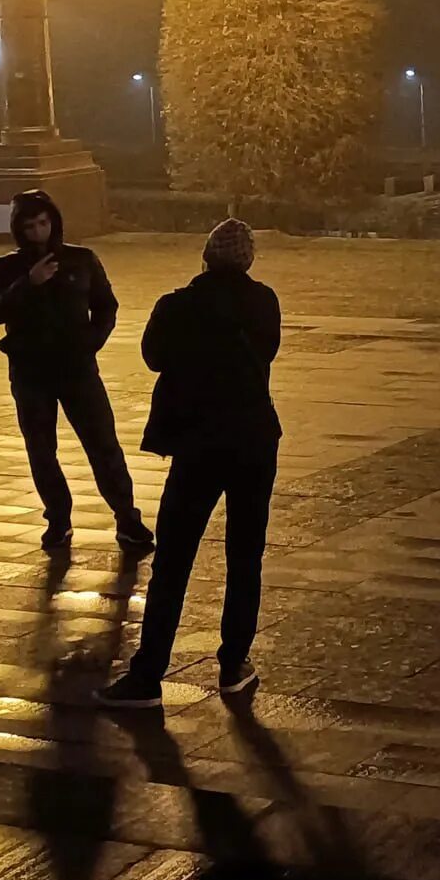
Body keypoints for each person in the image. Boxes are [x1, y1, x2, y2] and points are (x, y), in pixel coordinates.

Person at [98, 217, 282, 707]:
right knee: (245, 557)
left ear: (205, 256)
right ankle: (233, 665)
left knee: (174, 561)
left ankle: (148, 673)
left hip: (198, 444)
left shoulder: (177, 305)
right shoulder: (263, 302)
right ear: (248, 260)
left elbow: (153, 358)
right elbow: (268, 351)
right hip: (253, 440)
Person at [0, 189, 155, 557]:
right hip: (30, 371)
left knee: (103, 444)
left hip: (77, 368)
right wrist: (28, 283)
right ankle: (58, 519)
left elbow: (106, 305)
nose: (38, 232)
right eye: (29, 226)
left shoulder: (81, 260)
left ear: (54, 222)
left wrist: (91, 341)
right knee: (42, 449)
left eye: (43, 223)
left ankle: (127, 518)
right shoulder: (6, 268)